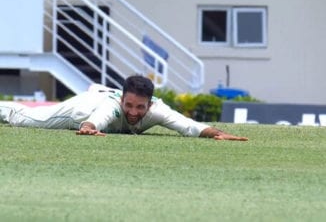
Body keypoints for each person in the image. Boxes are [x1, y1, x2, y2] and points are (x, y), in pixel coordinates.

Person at [0, 75, 248, 141]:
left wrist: (216, 133)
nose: (133, 111)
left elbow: (187, 126)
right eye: (128, 105)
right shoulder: (113, 105)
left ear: (149, 104)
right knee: (24, 119)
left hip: (97, 105)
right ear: (123, 100)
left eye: (139, 107)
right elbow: (100, 116)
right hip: (84, 110)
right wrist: (89, 127)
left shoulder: (157, 110)